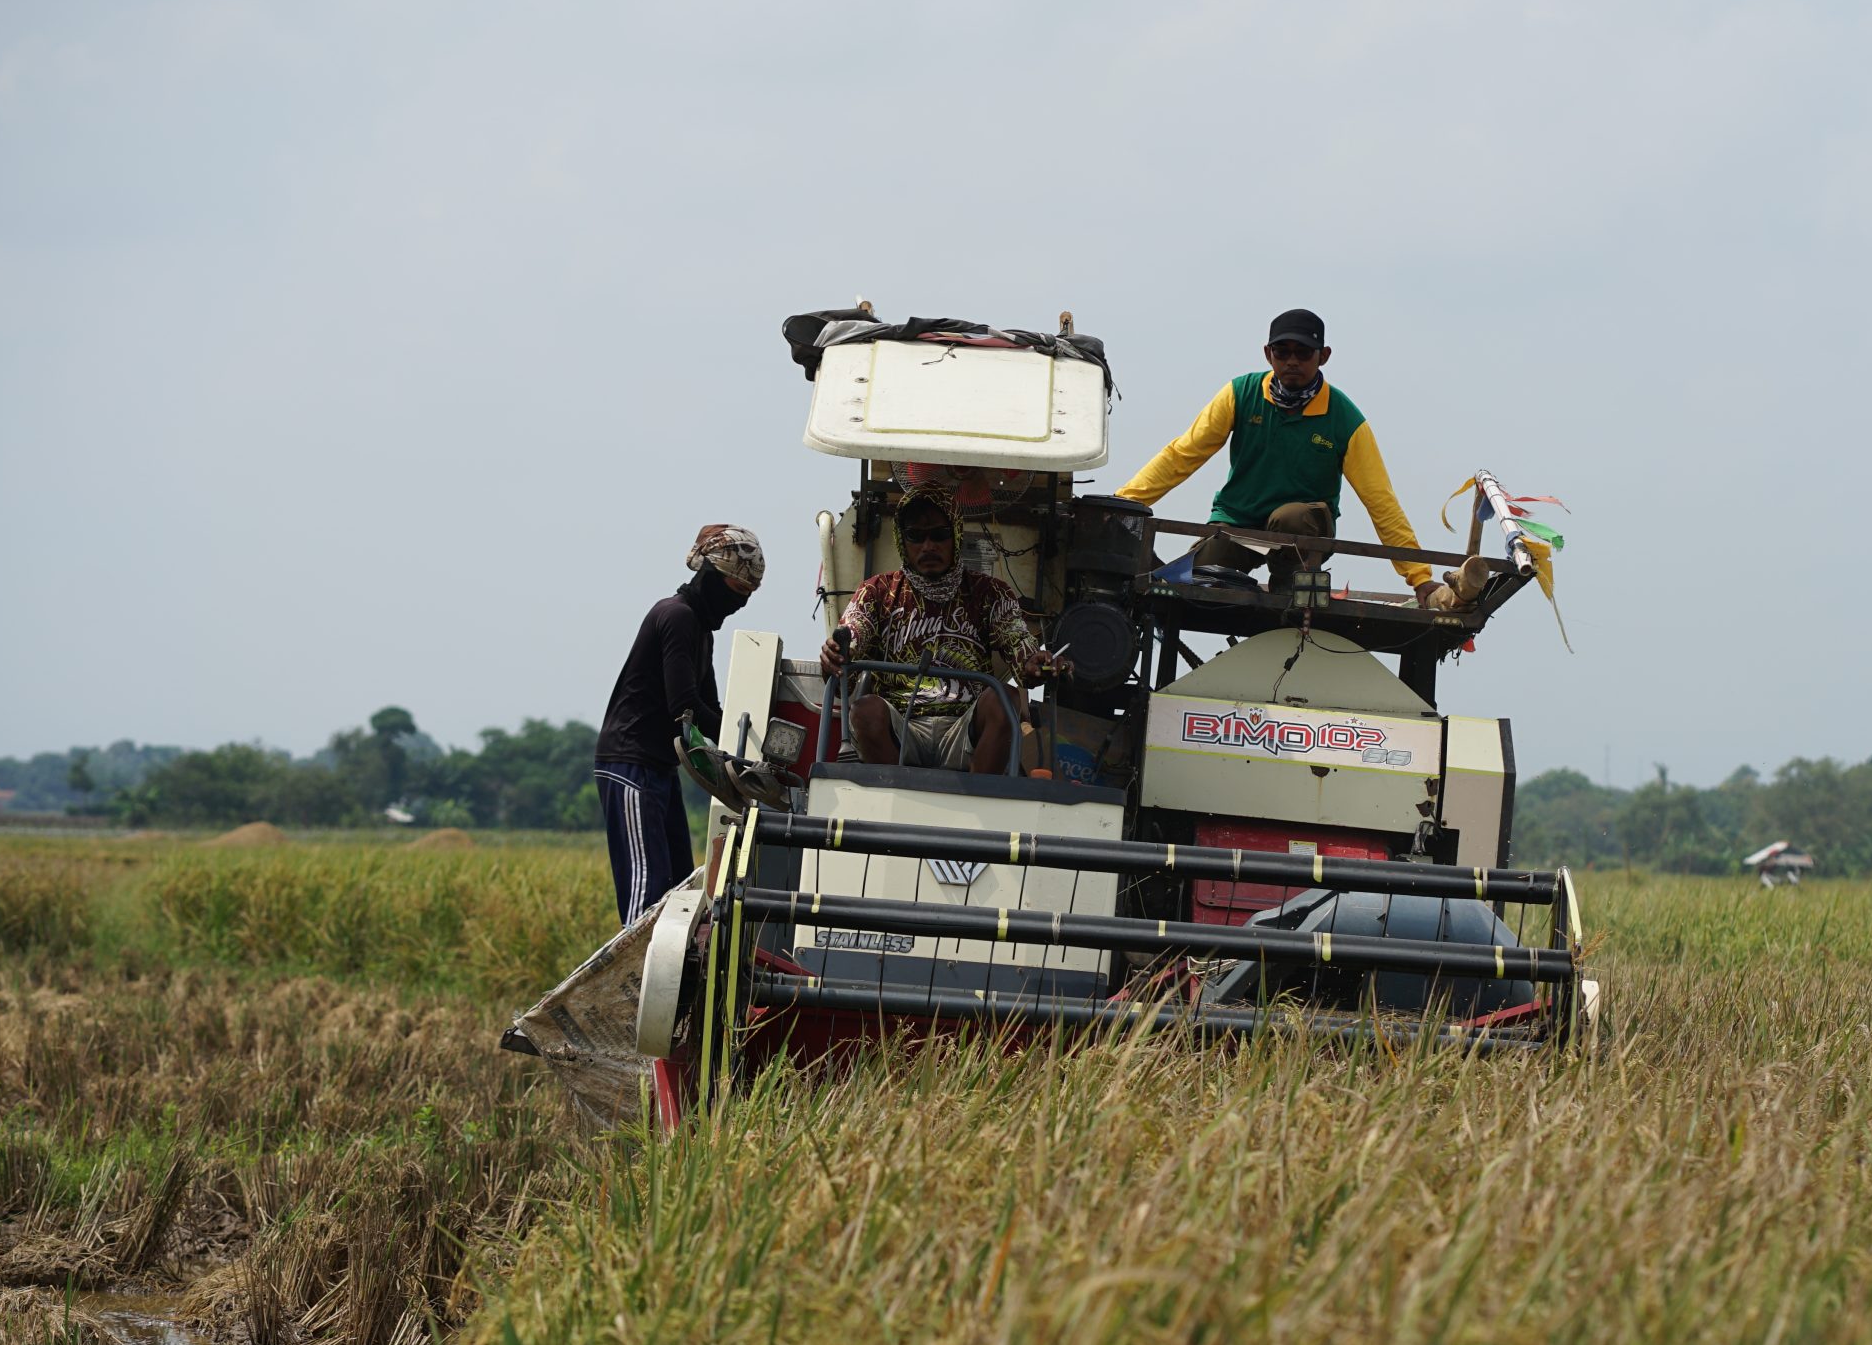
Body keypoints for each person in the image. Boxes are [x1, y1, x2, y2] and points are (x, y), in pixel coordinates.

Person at [1114, 309, 1434, 602]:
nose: (1292, 361)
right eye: (1283, 352)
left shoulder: (1345, 419)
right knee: (1192, 584)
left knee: (1290, 517)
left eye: (1303, 352)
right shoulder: (1240, 395)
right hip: (1239, 521)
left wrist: (1419, 578)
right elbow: (1182, 456)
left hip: (1301, 532)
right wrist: (1122, 503)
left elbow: (1381, 502)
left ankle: (1289, 589)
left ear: (1323, 356)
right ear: (1269, 354)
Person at [593, 524, 764, 925]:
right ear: (709, 577)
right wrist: (751, 745)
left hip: (659, 767)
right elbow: (685, 707)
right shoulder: (677, 617)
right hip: (630, 764)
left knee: (677, 892)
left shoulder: (700, 629)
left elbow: (712, 708)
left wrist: (750, 748)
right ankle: (637, 982)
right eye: (737, 592)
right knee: (647, 898)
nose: (739, 606)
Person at [821, 488, 1058, 773]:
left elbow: (1018, 641)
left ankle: (979, 802)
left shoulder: (990, 592)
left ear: (956, 534)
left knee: (1005, 698)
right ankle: (894, 797)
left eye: (939, 535)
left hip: (964, 728)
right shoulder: (876, 591)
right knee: (865, 710)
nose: (928, 546)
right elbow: (852, 634)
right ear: (901, 539)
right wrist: (837, 654)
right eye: (916, 536)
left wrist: (1034, 662)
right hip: (901, 725)